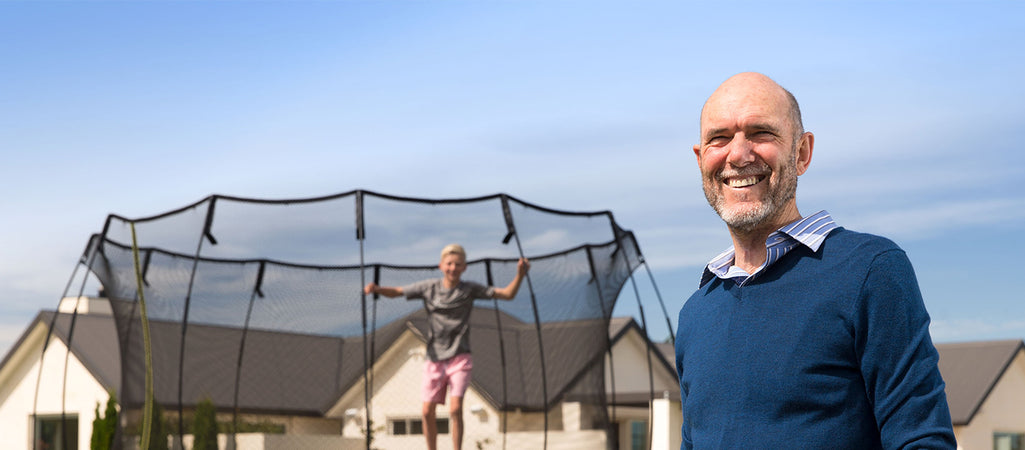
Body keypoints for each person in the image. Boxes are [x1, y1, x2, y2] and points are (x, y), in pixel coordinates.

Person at [675, 72, 956, 449]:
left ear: (802, 153)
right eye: (719, 138)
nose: (738, 155)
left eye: (761, 133)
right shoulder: (697, 311)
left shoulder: (870, 270)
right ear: (701, 159)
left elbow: (922, 441)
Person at [364, 244, 530, 450]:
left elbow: (506, 294)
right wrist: (377, 289)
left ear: (464, 268)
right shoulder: (429, 288)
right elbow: (398, 291)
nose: (453, 268)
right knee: (426, 411)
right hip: (434, 359)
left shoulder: (469, 290)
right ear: (441, 265)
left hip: (460, 358)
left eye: (458, 264)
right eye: (449, 264)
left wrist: (520, 274)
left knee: (455, 408)